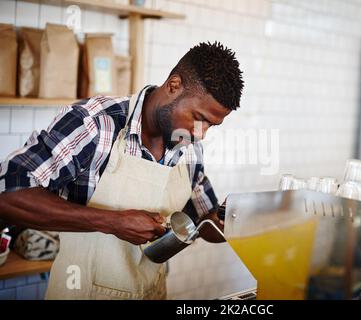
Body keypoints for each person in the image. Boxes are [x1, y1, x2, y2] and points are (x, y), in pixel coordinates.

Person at [0, 41, 244, 299]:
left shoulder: (190, 147)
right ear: (174, 86)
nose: (201, 134)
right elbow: (9, 194)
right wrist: (112, 222)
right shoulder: (95, 123)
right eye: (199, 118)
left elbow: (204, 223)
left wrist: (233, 221)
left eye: (211, 125)